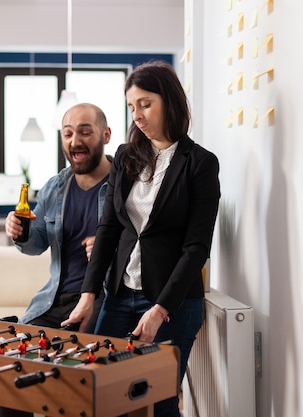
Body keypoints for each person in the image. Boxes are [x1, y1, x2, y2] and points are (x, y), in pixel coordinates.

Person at [63, 60, 221, 417]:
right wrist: (89, 295)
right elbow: (109, 228)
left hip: (172, 305)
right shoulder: (125, 156)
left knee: (160, 402)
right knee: (101, 394)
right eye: (132, 107)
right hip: (119, 296)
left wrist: (160, 310)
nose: (137, 114)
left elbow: (197, 248)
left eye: (145, 104)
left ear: (170, 101)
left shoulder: (201, 163)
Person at [0, 103, 112, 417]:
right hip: (54, 301)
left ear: (105, 135)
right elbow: (36, 245)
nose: (75, 140)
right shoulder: (55, 187)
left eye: (85, 131)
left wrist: (108, 250)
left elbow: (145, 244)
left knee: (76, 385)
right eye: (68, 132)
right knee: (10, 371)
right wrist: (20, 234)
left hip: (104, 301)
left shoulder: (124, 184)